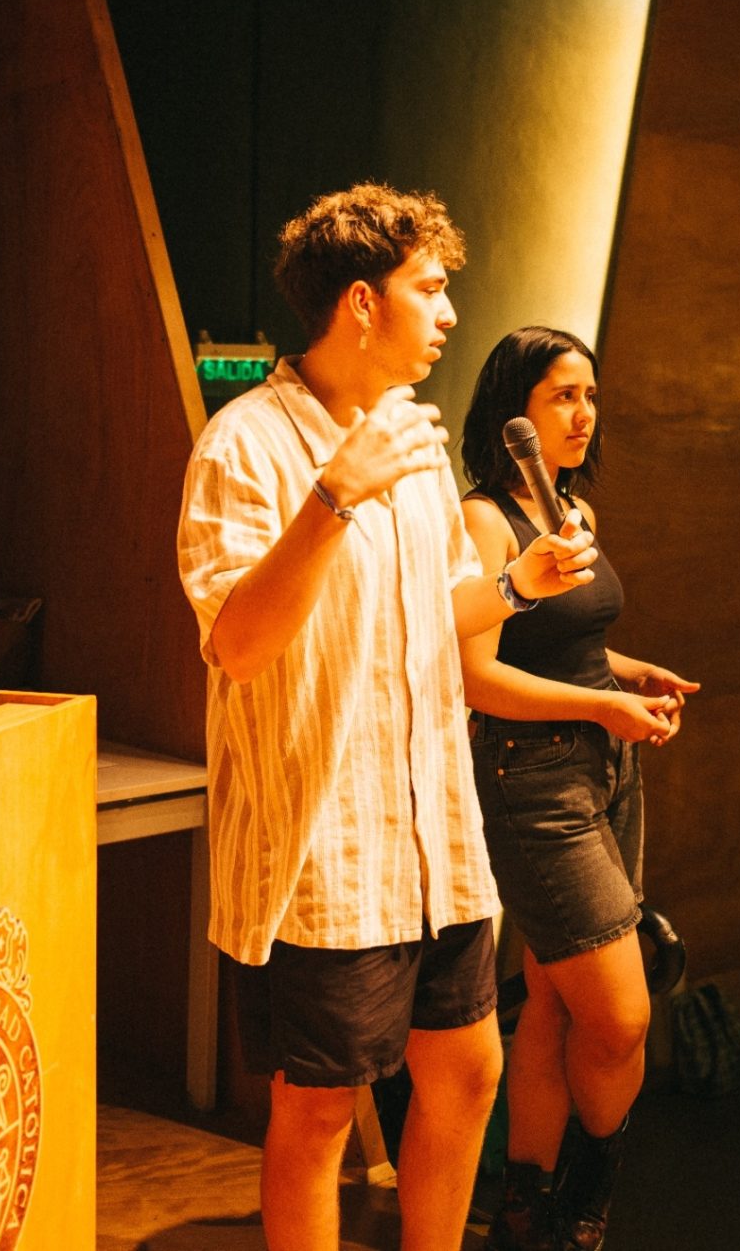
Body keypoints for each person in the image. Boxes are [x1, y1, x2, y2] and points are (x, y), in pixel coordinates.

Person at [176, 185, 595, 1251]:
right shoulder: (243, 443)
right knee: (318, 1109)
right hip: (326, 847)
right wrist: (331, 497)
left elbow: (437, 612)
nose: (449, 312)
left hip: (432, 837)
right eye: (431, 287)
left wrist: (519, 585)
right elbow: (238, 643)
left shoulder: (409, 439)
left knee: (469, 1065)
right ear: (362, 302)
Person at [456, 327, 697, 1251]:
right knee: (622, 1012)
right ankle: (587, 1208)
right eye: (563, 395)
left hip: (604, 771)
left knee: (558, 1001)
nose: (584, 412)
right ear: (513, 411)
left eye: (591, 394)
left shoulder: (573, 510)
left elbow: (571, 644)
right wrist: (603, 707)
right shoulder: (486, 519)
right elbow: (478, 676)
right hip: (532, 780)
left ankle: (527, 1212)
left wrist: (631, 676)